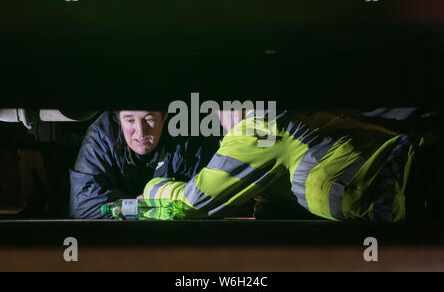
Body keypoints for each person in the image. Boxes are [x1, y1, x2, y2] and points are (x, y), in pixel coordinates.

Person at [132, 109, 438, 222]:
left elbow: (194, 203)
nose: (219, 122)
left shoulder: (259, 125)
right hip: (417, 193)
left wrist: (151, 189)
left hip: (421, 183)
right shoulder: (287, 125)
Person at [68, 110, 220, 219]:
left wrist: (127, 207)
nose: (140, 132)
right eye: (129, 120)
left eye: (149, 119)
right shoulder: (102, 134)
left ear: (165, 115)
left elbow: (203, 201)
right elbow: (83, 206)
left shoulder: (188, 136)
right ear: (118, 118)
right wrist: (142, 207)